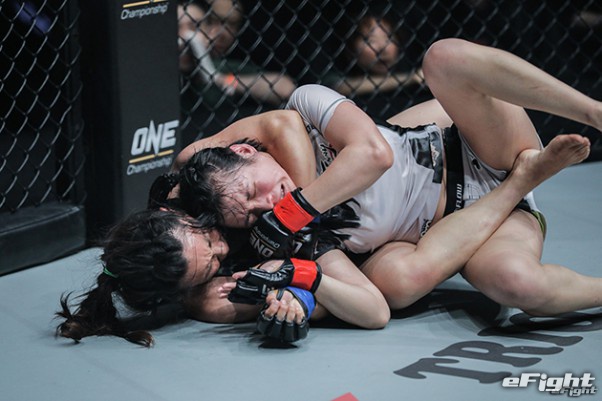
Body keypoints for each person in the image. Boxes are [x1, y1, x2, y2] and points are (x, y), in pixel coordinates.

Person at [174, 38, 601, 319]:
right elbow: (371, 308)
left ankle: (593, 111)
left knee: (443, 58)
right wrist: (290, 274)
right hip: (471, 227)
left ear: (244, 151)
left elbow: (375, 156)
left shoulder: (305, 111)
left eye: (253, 190)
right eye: (252, 214)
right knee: (510, 285)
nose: (267, 203)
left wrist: (293, 212)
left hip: (477, 146)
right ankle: (522, 184)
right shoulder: (297, 239)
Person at [178, 0, 297, 144]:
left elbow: (284, 88)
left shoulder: (222, 67)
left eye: (195, 27)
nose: (185, 36)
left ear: (209, 32)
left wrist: (219, 78)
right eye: (176, 27)